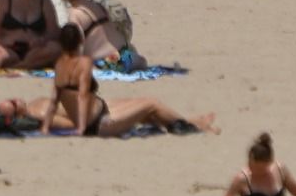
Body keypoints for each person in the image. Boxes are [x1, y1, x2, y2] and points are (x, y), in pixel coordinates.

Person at [41, 24, 216, 137]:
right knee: (151, 103)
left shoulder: (59, 65)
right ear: (80, 41)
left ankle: (187, 122)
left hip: (100, 112)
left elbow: (54, 102)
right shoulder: (84, 63)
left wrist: (46, 127)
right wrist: (80, 128)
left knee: (144, 108)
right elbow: (82, 95)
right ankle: (195, 127)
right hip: (99, 123)